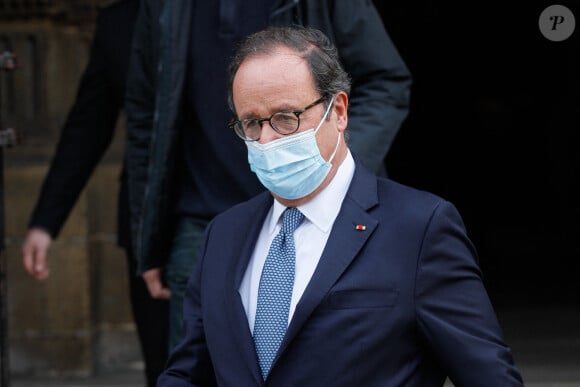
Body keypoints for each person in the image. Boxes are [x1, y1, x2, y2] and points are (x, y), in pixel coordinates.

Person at [157, 26, 524, 386]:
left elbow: (488, 375)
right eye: (252, 123)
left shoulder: (419, 228)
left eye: (286, 117)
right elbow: (189, 372)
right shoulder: (224, 234)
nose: (266, 139)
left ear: (340, 111)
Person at [126, 0, 412, 353]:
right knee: (197, 366)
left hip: (319, 218)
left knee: (328, 361)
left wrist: (329, 173)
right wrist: (149, 240)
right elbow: (144, 118)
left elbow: (386, 80)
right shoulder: (164, 7)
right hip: (203, 223)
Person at [20, 1, 168, 385]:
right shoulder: (119, 22)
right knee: (166, 368)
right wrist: (44, 223)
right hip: (147, 226)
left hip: (234, 210)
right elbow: (88, 127)